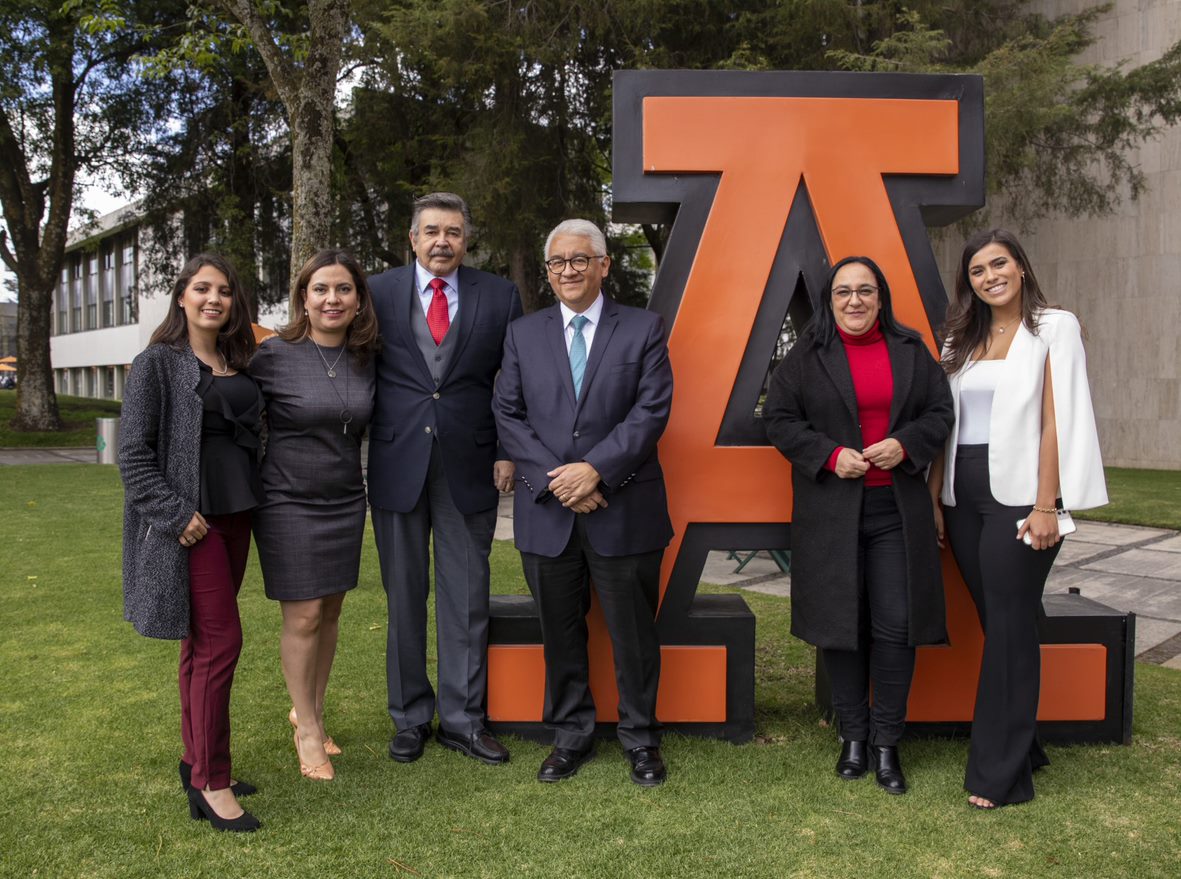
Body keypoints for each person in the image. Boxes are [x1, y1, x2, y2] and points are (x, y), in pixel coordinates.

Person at [763, 255, 953, 795]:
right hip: (832, 512)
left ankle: (888, 742)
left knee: (895, 625)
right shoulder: (807, 355)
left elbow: (940, 412)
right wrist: (827, 455)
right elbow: (779, 420)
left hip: (896, 512)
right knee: (842, 626)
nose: (854, 301)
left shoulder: (911, 350)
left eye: (865, 291)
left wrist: (906, 444)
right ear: (830, 299)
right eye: (843, 291)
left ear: (880, 297)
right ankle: (853, 737)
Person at [493, 218, 674, 787]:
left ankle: (641, 738)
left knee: (634, 635)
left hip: (624, 509)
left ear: (603, 265)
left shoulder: (643, 328)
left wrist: (595, 470)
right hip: (548, 513)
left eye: (578, 260)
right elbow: (508, 413)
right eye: (557, 263)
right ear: (548, 273)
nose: (567, 271)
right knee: (560, 633)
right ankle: (570, 735)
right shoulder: (524, 333)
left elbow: (651, 412)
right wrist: (559, 480)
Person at [932, 229, 1107, 809]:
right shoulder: (961, 339)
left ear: (1021, 268)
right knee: (1005, 621)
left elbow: (1056, 421)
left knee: (1007, 629)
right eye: (977, 271)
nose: (989, 277)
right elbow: (945, 427)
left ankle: (998, 773)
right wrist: (936, 496)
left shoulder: (1055, 326)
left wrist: (1046, 503)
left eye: (999, 264)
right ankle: (1025, 744)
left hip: (1021, 496)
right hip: (963, 493)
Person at [367, 192, 522, 765]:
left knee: (466, 598)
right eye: (431, 230)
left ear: (466, 239)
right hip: (396, 463)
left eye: (453, 232)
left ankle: (463, 720)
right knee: (404, 596)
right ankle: (409, 717)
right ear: (412, 238)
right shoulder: (377, 292)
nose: (442, 241)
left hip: (471, 465)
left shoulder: (499, 295)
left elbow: (514, 380)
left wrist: (508, 449)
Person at [119, 253, 263, 832]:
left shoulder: (237, 359)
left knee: (200, 646)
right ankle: (211, 780)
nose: (214, 299)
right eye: (202, 288)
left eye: (224, 291)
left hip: (238, 519)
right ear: (181, 297)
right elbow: (132, 454)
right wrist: (176, 514)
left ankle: (192, 759)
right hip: (192, 525)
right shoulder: (158, 363)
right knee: (220, 645)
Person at [251, 249, 378, 782]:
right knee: (302, 615)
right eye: (321, 289)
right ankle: (306, 730)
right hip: (286, 500)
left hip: (346, 498)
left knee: (330, 612)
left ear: (357, 300)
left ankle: (313, 712)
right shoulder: (274, 355)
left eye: (343, 289)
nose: (332, 299)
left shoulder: (366, 356)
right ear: (303, 297)